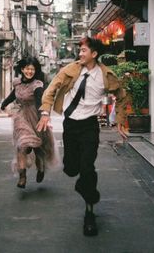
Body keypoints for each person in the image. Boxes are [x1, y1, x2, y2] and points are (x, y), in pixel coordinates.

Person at [36, 37, 127, 237]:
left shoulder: (106, 76)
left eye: (84, 50)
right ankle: (83, 184)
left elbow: (121, 96)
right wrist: (45, 112)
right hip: (70, 125)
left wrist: (120, 121)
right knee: (71, 169)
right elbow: (51, 90)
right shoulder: (70, 70)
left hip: (89, 127)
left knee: (87, 168)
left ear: (94, 54)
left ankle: (89, 213)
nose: (80, 54)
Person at [1, 57, 56, 189]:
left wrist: (43, 115)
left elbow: (39, 100)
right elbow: (14, 95)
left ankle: (40, 168)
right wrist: (4, 104)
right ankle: (22, 176)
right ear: (22, 69)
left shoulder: (37, 85)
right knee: (22, 146)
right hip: (21, 118)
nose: (29, 71)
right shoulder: (17, 83)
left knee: (37, 148)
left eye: (32, 69)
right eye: (27, 68)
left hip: (35, 117)